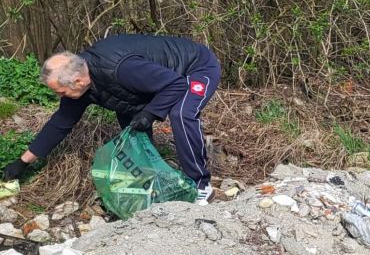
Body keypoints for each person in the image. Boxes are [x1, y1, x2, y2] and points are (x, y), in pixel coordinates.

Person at [1, 35, 221, 202]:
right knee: (134, 135)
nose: (60, 97)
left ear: (77, 82)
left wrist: (150, 113)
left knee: (181, 114)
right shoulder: (80, 83)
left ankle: (201, 185)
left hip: (195, 67)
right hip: (151, 82)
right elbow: (61, 123)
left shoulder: (121, 69)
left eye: (60, 92)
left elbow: (176, 85)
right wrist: (22, 162)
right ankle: (154, 185)